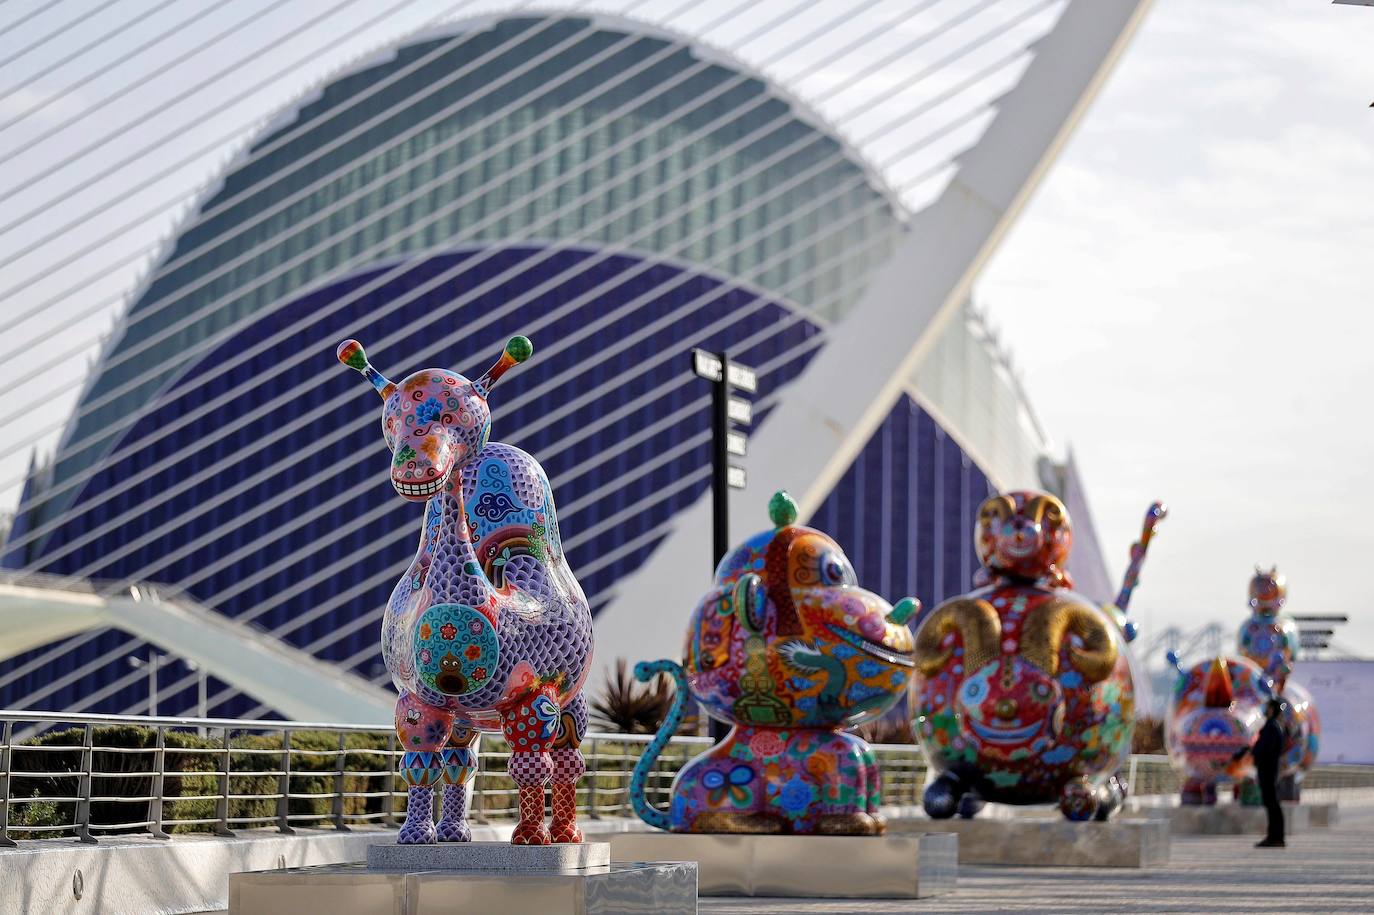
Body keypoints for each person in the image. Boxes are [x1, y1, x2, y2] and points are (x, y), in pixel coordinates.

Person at [1234, 698, 1286, 847]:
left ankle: (1275, 837)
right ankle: (1275, 836)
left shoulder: (1271, 727)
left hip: (1267, 770)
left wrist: (1250, 752)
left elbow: (1262, 748)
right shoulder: (1274, 726)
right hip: (1269, 770)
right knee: (1272, 803)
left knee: (1272, 803)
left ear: (1271, 710)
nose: (1265, 710)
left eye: (1267, 707)